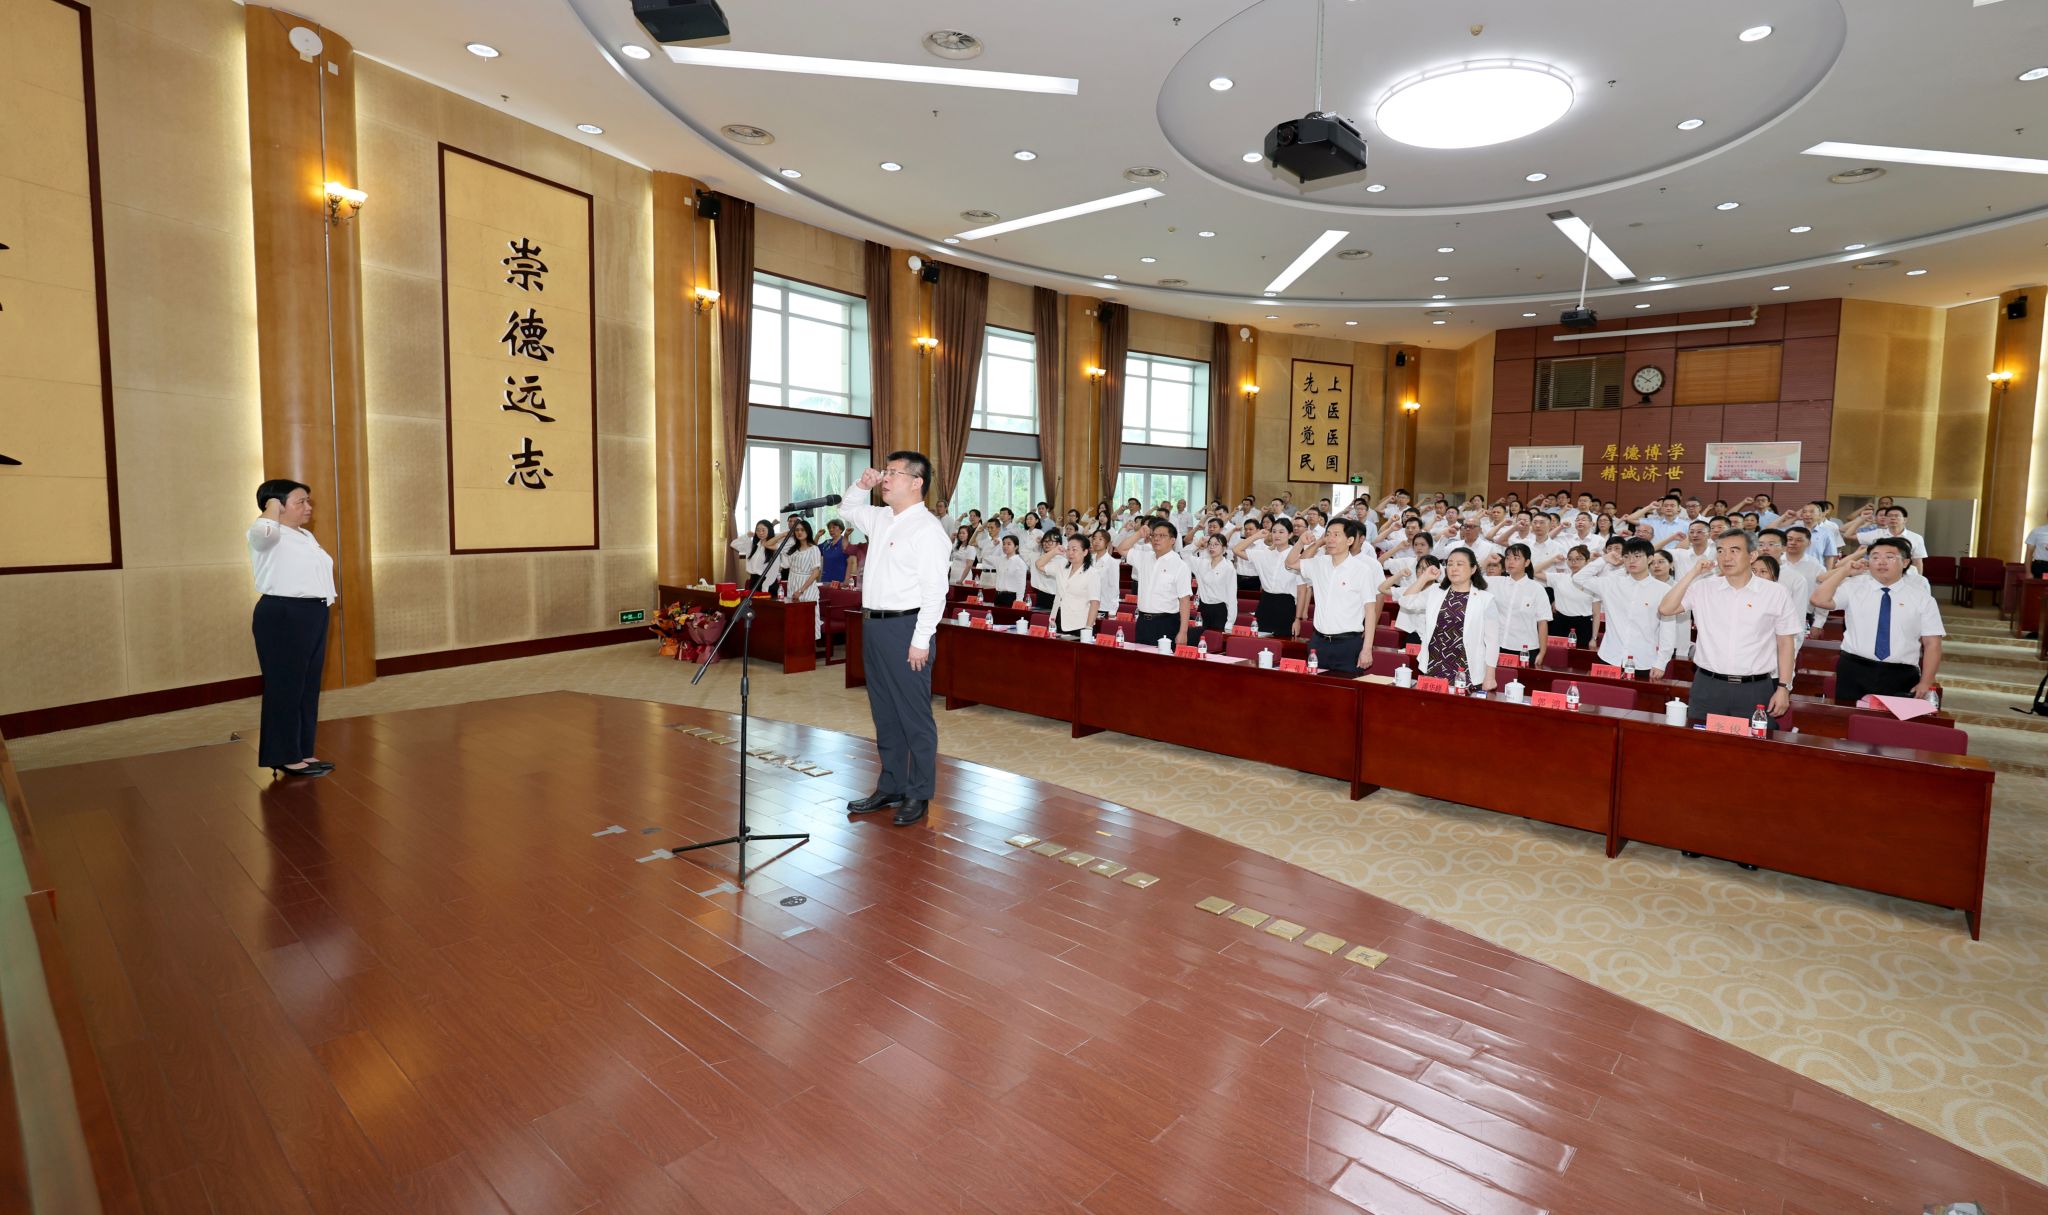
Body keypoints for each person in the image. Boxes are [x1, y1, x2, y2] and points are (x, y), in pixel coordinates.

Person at [836, 453, 949, 826]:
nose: (885, 478)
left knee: (914, 716)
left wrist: (921, 639)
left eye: (894, 473)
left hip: (906, 629)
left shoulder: (928, 530)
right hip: (874, 626)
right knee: (884, 713)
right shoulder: (882, 517)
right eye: (885, 472)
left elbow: (936, 592)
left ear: (916, 482)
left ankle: (919, 792)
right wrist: (861, 485)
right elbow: (846, 509)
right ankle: (892, 785)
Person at [1660, 532, 1801, 725]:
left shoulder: (1775, 593)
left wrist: (1784, 687)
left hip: (1754, 688)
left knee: (1752, 743)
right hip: (1708, 685)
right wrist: (1693, 573)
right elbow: (1666, 609)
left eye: (1734, 551)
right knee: (1702, 741)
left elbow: (1785, 643)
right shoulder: (1703, 588)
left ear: (1752, 556)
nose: (1726, 557)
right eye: (1720, 551)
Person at [247, 479, 337, 778]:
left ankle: (301, 750)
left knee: (307, 686)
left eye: (308, 501)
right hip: (284, 614)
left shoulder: (305, 535)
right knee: (285, 686)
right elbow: (264, 534)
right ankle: (283, 755)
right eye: (301, 501)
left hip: (313, 612)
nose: (308, 507)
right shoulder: (265, 532)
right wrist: (271, 503)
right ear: (277, 506)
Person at [1812, 537, 1945, 704]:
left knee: (1893, 720)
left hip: (1901, 673)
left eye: (1889, 557)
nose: (1881, 562)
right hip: (1854, 668)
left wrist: (1926, 682)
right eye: (1875, 557)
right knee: (1849, 717)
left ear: (1905, 562)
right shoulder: (1854, 587)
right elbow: (1818, 600)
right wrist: (1844, 572)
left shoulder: (1922, 598)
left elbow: (1932, 644)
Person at [1285, 517, 1382, 675]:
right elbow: (1290, 564)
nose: (1330, 539)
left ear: (1350, 540)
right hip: (1318, 643)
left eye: (1336, 535)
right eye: (1328, 534)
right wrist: (1301, 542)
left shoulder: (1362, 570)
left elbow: (1370, 611)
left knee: (1346, 688)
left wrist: (1367, 649)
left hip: (1348, 644)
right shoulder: (1319, 563)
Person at [1573, 537, 1677, 677]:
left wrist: (1661, 663)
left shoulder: (1663, 590)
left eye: (1637, 556)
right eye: (1626, 556)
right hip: (1609, 657)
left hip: (1643, 661)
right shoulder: (1612, 584)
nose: (1631, 561)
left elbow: (1668, 631)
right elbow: (1578, 578)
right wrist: (1604, 559)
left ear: (1650, 558)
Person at [1406, 548, 1499, 690]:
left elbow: (1492, 642)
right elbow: (1406, 601)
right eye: (1450, 564)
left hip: (1466, 671)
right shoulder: (1435, 591)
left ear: (1473, 569)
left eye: (1459, 564)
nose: (1453, 568)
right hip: (1434, 665)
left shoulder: (1485, 599)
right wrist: (1424, 577)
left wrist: (1490, 676)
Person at [1116, 518, 1193, 647]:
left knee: (1163, 660)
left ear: (1172, 540)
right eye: (1154, 535)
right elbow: (1121, 549)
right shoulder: (1145, 557)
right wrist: (1138, 534)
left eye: (1162, 535)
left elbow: (1184, 601)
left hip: (1166, 623)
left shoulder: (1180, 565)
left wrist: (1183, 632)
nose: (1156, 539)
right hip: (1143, 621)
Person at [1236, 519, 1303, 637]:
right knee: (1260, 640)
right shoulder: (1264, 553)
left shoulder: (1297, 557)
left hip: (1286, 604)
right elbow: (1236, 550)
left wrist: (1298, 619)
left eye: (1281, 532)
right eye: (1274, 531)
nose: (1277, 535)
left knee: (1283, 642)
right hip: (1265, 602)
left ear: (1290, 535)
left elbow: (1302, 591)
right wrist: (1256, 536)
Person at [1492, 543, 1553, 667]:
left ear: (1527, 562)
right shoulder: (1495, 583)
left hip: (1525, 650)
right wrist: (1487, 561)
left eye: (1516, 558)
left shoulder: (1537, 589)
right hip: (1496, 646)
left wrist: (1542, 652)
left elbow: (1542, 623)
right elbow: (1469, 577)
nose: (1510, 562)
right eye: (1507, 558)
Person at [1039, 535, 1099, 639]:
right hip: (1057, 618)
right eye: (1068, 549)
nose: (1070, 553)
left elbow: (1095, 603)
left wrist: (1088, 629)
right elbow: (1039, 565)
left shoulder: (1092, 573)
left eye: (1074, 550)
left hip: (1079, 623)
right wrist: (1053, 552)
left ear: (1085, 552)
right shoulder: (1062, 565)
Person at [1540, 544, 1597, 648]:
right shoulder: (1560, 578)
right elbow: (1534, 571)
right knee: (1556, 655)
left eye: (1578, 559)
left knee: (1579, 656)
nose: (1573, 562)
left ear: (1587, 561)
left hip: (1583, 625)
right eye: (1570, 559)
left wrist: (1594, 638)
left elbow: (1596, 614)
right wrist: (1552, 560)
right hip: (1560, 622)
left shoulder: (1594, 582)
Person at [1379, 553, 1441, 647]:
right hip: (1413, 635)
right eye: (1420, 567)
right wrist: (1399, 574)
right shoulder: (1410, 590)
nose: (1422, 571)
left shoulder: (1439, 590)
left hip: (1433, 636)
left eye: (1427, 568)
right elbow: (1382, 588)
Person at [1192, 534, 1240, 637]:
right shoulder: (1201, 563)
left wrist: (1230, 622)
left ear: (1224, 548)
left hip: (1219, 610)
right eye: (1210, 544)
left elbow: (1232, 597)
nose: (1212, 547)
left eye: (1216, 544)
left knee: (1215, 640)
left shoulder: (1228, 568)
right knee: (1200, 640)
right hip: (1203, 608)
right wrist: (1197, 545)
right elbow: (1184, 554)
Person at [732, 519, 784, 585]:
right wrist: (746, 536)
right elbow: (734, 544)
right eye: (758, 530)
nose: (760, 533)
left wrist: (772, 525)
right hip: (754, 580)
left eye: (763, 530)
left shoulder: (775, 546)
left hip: (768, 581)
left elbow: (782, 536)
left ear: (769, 530)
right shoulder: (752, 546)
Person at [1086, 529, 1121, 619]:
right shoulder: (1088, 560)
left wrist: (1113, 610)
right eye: (1094, 539)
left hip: (1103, 606)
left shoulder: (1112, 562)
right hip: (1087, 605)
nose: (1096, 541)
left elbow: (1114, 588)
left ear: (1107, 543)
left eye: (1100, 539)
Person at [1026, 531, 1062, 610]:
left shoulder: (1062, 560)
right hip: (1041, 595)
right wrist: (1036, 542)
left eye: (1050, 541)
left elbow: (1041, 566)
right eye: (1045, 541)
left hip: (1055, 597)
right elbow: (1025, 552)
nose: (1046, 544)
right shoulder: (1038, 556)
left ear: (1058, 544)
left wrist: (1054, 552)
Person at [991, 534, 1027, 608]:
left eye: (1009, 544)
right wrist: (992, 545)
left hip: (1011, 598)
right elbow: (985, 556)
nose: (1005, 546)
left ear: (1016, 547)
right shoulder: (1001, 560)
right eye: (1004, 544)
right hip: (998, 596)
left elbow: (1021, 584)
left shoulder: (1020, 563)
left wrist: (1019, 601)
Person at [818, 519, 852, 584]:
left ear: (841, 529)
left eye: (834, 527)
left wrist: (846, 580)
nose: (831, 530)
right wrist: (817, 536)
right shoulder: (827, 543)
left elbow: (850, 563)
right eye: (829, 528)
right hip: (825, 580)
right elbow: (813, 549)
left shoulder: (845, 543)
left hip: (840, 581)